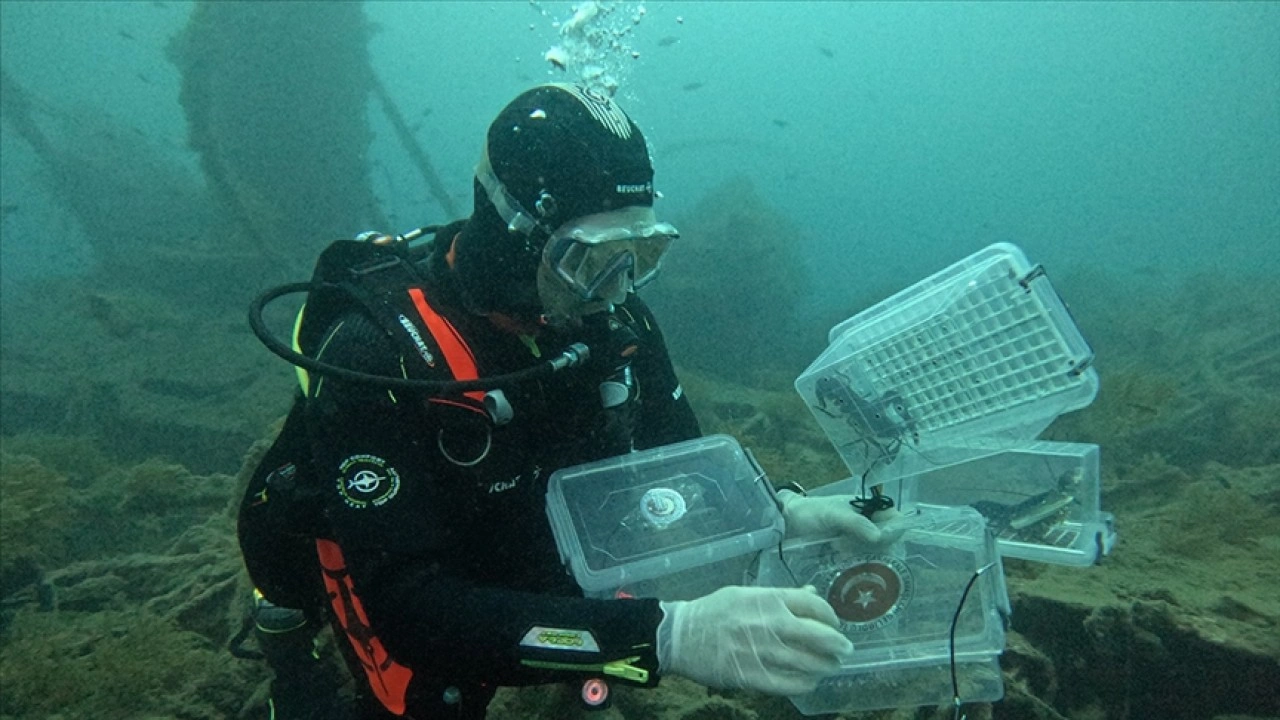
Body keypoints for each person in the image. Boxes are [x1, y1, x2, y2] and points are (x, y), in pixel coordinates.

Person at [238, 83, 896, 720]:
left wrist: (780, 510)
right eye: (591, 260)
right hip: (411, 567)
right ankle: (292, 660)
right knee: (421, 702)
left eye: (641, 252)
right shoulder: (378, 357)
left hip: (527, 537)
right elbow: (412, 612)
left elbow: (683, 463)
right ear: (513, 232)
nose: (615, 290)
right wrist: (661, 637)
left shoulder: (617, 319)